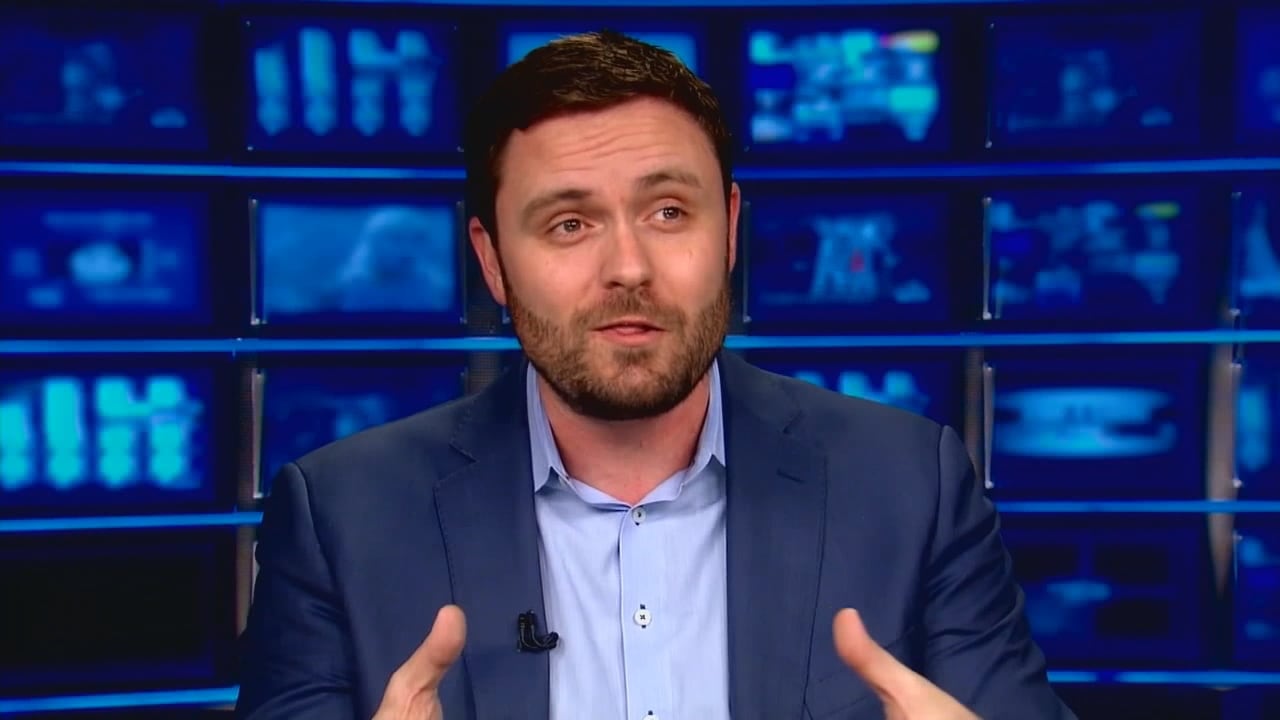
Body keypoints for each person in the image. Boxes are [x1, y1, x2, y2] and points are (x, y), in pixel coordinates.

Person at [235, 30, 1077, 720]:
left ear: (730, 229)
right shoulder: (341, 517)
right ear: (493, 262)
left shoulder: (910, 486)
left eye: (669, 211)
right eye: (569, 223)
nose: (629, 267)